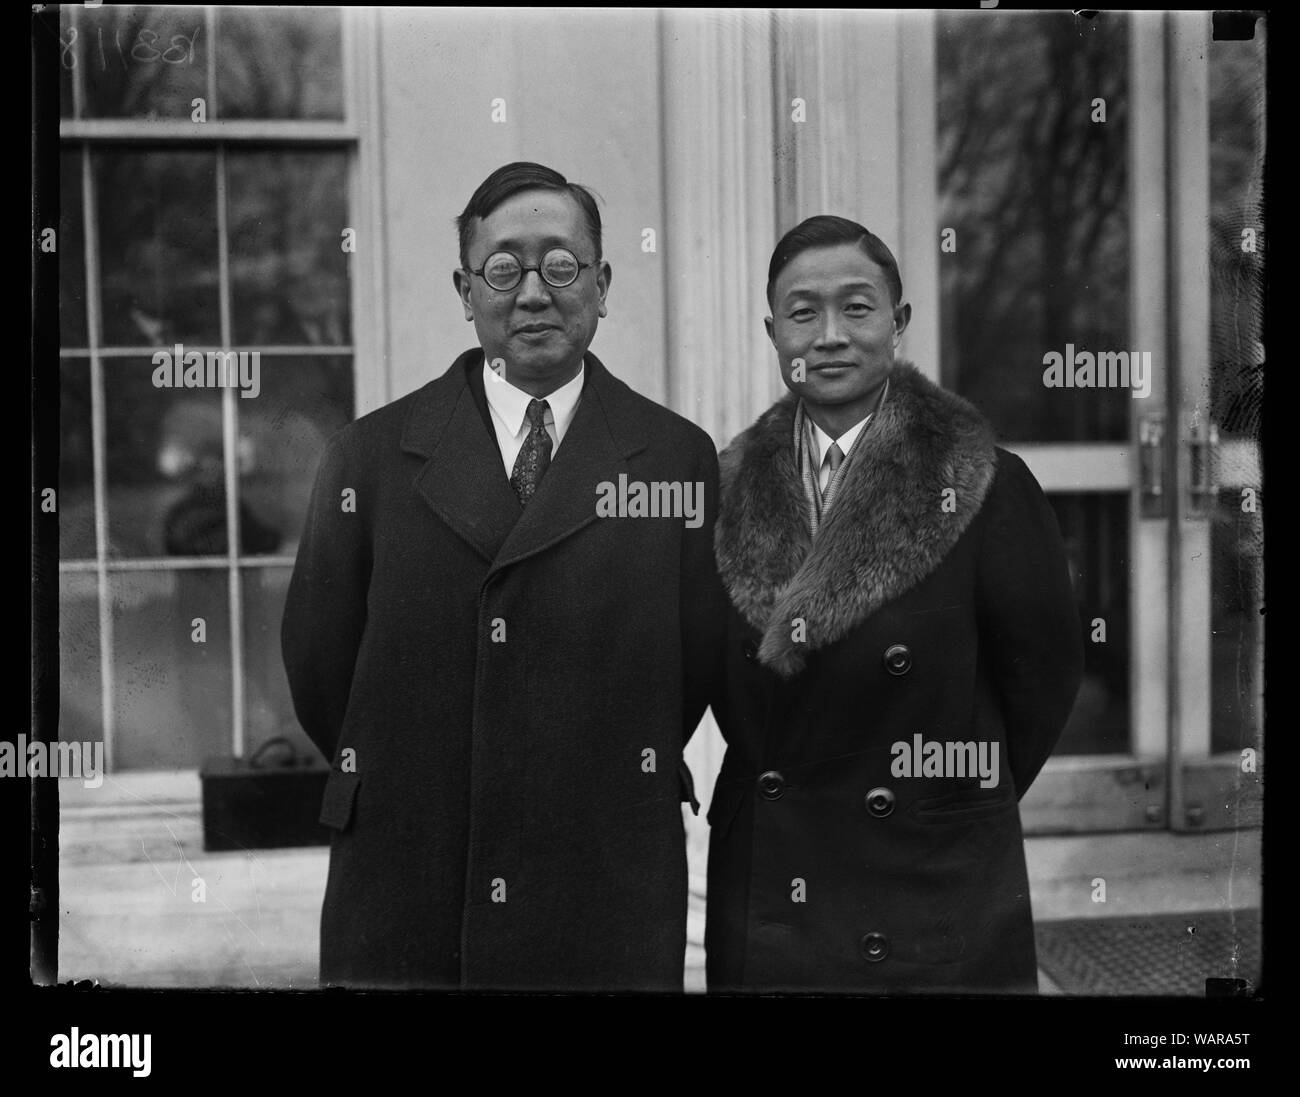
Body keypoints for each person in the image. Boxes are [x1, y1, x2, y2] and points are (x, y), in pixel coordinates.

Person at [281, 162, 724, 991]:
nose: (533, 293)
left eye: (561, 266)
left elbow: (695, 660)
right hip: (411, 872)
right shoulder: (368, 458)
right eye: (503, 267)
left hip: (604, 876)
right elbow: (319, 664)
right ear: (465, 288)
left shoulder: (674, 457)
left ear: (601, 284)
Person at [705, 215, 1083, 993]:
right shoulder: (723, 488)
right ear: (772, 332)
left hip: (933, 884)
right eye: (804, 312)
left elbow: (1042, 681)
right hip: (776, 888)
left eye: (859, 307)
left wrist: (943, 802)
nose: (832, 335)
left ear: (899, 323)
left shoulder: (983, 483)